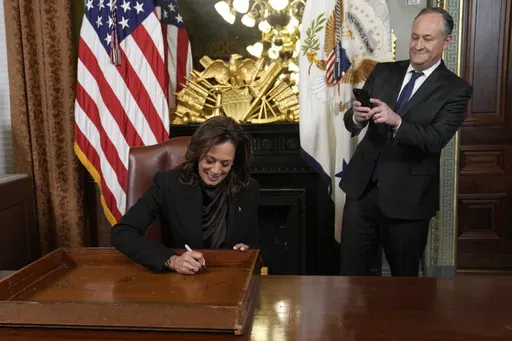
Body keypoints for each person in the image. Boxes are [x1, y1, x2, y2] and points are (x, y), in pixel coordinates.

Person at [339, 8, 472, 276]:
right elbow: (353, 123)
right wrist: (356, 116)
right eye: (414, 37)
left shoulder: (456, 89)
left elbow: (435, 140)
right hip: (361, 190)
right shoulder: (384, 71)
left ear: (446, 42)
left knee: (404, 283)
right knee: (351, 276)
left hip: (408, 199)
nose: (418, 45)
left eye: (427, 38)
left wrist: (397, 122)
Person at [110, 116, 260, 275]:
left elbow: (254, 243)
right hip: (181, 281)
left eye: (225, 164)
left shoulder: (247, 189)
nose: (216, 171)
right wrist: (172, 260)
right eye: (209, 160)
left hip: (229, 279)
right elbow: (122, 233)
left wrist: (246, 249)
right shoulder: (168, 184)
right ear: (198, 155)